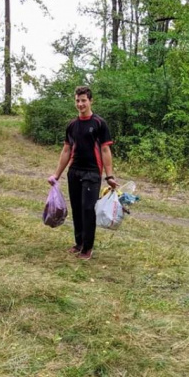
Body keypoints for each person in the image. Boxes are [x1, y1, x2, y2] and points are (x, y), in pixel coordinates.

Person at [48, 86, 118, 260]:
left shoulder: (99, 124)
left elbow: (105, 151)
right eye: (77, 101)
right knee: (77, 209)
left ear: (90, 101)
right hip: (74, 172)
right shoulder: (72, 125)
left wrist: (109, 176)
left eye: (83, 100)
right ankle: (78, 243)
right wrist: (56, 175)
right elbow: (66, 150)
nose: (80, 104)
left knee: (88, 209)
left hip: (92, 173)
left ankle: (87, 247)